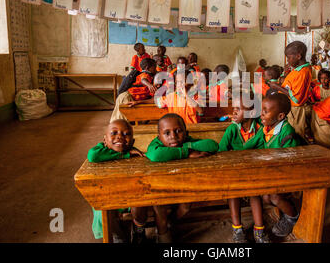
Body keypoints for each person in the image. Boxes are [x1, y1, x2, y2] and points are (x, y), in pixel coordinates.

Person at [145, 114, 219, 242]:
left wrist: (187, 145)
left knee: (185, 206)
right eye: (167, 133)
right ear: (159, 137)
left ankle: (168, 223)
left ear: (186, 132)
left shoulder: (186, 140)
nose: (173, 136)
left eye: (178, 131)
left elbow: (212, 145)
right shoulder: (155, 144)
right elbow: (156, 155)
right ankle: (163, 236)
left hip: (182, 185)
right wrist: (187, 152)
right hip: (159, 187)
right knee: (160, 207)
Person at [218, 92, 270, 243]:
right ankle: (237, 229)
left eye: (238, 109)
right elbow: (221, 151)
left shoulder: (262, 129)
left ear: (252, 113)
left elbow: (267, 150)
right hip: (234, 173)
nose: (234, 112)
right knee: (233, 193)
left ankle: (259, 230)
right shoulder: (232, 130)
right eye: (233, 108)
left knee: (255, 193)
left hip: (254, 173)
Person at [87, 119, 148, 244]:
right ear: (105, 140)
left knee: (142, 201)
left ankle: (139, 232)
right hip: (108, 197)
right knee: (102, 209)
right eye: (114, 133)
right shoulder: (100, 151)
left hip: (131, 197)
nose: (120, 137)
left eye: (126, 134)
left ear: (133, 141)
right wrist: (124, 155)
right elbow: (93, 156)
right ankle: (118, 237)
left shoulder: (134, 152)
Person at [255, 92, 300, 239]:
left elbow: (291, 161)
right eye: (262, 110)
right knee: (266, 197)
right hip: (274, 171)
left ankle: (292, 216)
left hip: (289, 173)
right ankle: (285, 208)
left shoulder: (287, 132)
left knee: (273, 196)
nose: (261, 114)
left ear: (280, 116)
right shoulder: (267, 128)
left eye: (265, 111)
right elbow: (255, 143)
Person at [269, 41, 312, 139]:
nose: (288, 60)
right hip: (290, 107)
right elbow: (292, 86)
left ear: (298, 56)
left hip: (295, 110)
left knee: (295, 134)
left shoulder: (302, 72)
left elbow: (296, 97)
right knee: (288, 133)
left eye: (289, 57)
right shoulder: (298, 70)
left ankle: (296, 152)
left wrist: (277, 87)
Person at [110, 58, 157, 122]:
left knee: (120, 118)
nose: (155, 69)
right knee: (121, 120)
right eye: (154, 67)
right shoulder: (145, 74)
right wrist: (149, 85)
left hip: (128, 97)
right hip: (127, 97)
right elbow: (143, 80)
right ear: (147, 68)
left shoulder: (150, 76)